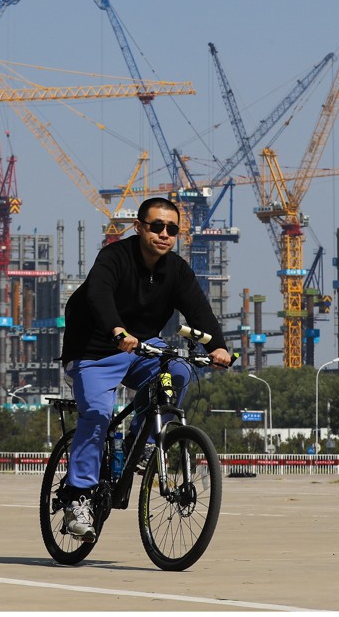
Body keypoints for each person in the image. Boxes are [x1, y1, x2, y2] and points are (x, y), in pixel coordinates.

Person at [56, 197, 233, 541]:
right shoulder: (114, 258)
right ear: (138, 227)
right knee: (97, 413)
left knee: (178, 371)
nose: (164, 234)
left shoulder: (177, 270)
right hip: (94, 350)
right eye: (156, 226)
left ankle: (145, 439)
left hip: (142, 349)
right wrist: (117, 330)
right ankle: (77, 497)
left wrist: (218, 347)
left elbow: (199, 311)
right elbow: (98, 295)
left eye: (171, 229)